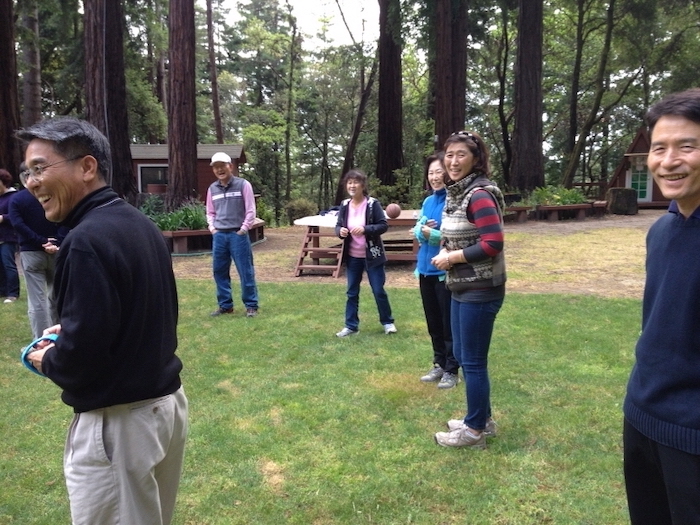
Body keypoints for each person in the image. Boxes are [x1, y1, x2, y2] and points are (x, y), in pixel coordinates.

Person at [17, 117, 187, 525]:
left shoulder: (86, 241)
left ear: (87, 167)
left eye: (39, 168)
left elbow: (80, 363)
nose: (31, 183)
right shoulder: (139, 224)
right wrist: (78, 327)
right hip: (164, 409)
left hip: (120, 425)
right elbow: (140, 315)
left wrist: (48, 357)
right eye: (27, 172)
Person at [623, 88, 700, 523]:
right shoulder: (662, 230)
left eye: (686, 146)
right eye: (659, 148)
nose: (669, 161)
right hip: (642, 417)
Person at [432, 131, 506, 449]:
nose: (453, 161)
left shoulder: (479, 195)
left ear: (476, 159)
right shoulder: (457, 193)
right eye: (449, 155)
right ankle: (482, 419)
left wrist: (452, 258)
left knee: (473, 361)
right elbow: (460, 233)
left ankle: (474, 431)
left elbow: (493, 243)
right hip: (461, 285)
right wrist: (445, 247)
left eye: (461, 154)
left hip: (481, 288)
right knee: (463, 355)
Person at [413, 153, 458, 389]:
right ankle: (439, 363)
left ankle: (452, 369)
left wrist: (434, 234)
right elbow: (417, 231)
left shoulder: (454, 201)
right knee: (433, 323)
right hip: (424, 269)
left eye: (438, 171)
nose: (434, 177)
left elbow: (455, 236)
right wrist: (421, 230)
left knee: (448, 323)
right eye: (431, 173)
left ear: (448, 172)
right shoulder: (428, 201)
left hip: (444, 271)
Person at [334, 169, 396, 337]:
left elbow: (383, 225)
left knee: (378, 290)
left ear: (363, 185)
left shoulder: (372, 204)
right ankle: (351, 326)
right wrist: (340, 231)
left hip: (372, 256)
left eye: (356, 182)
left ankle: (388, 322)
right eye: (349, 182)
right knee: (351, 292)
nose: (352, 186)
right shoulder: (344, 205)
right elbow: (338, 226)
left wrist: (365, 229)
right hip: (352, 257)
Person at [8, 169, 65, 338]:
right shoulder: (55, 195)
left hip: (32, 252)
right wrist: (56, 241)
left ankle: (41, 341)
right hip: (57, 251)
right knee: (58, 296)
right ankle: (60, 337)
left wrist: (40, 241)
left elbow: (18, 224)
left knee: (37, 301)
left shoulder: (17, 199)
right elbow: (66, 218)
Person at [206, 151, 260, 317]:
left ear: (230, 166)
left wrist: (243, 229)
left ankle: (251, 305)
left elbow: (250, 210)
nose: (219, 170)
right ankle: (225, 306)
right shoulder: (212, 189)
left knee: (245, 271)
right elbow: (210, 212)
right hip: (219, 236)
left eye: (222, 166)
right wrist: (213, 229)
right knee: (219, 271)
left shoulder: (243, 185)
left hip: (238, 235)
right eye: (216, 167)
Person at [0, 169, 19, 304]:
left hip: (9, 237)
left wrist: (3, 218)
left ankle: (13, 293)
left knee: (8, 264)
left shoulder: (13, 197)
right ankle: (2, 291)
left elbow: (16, 216)